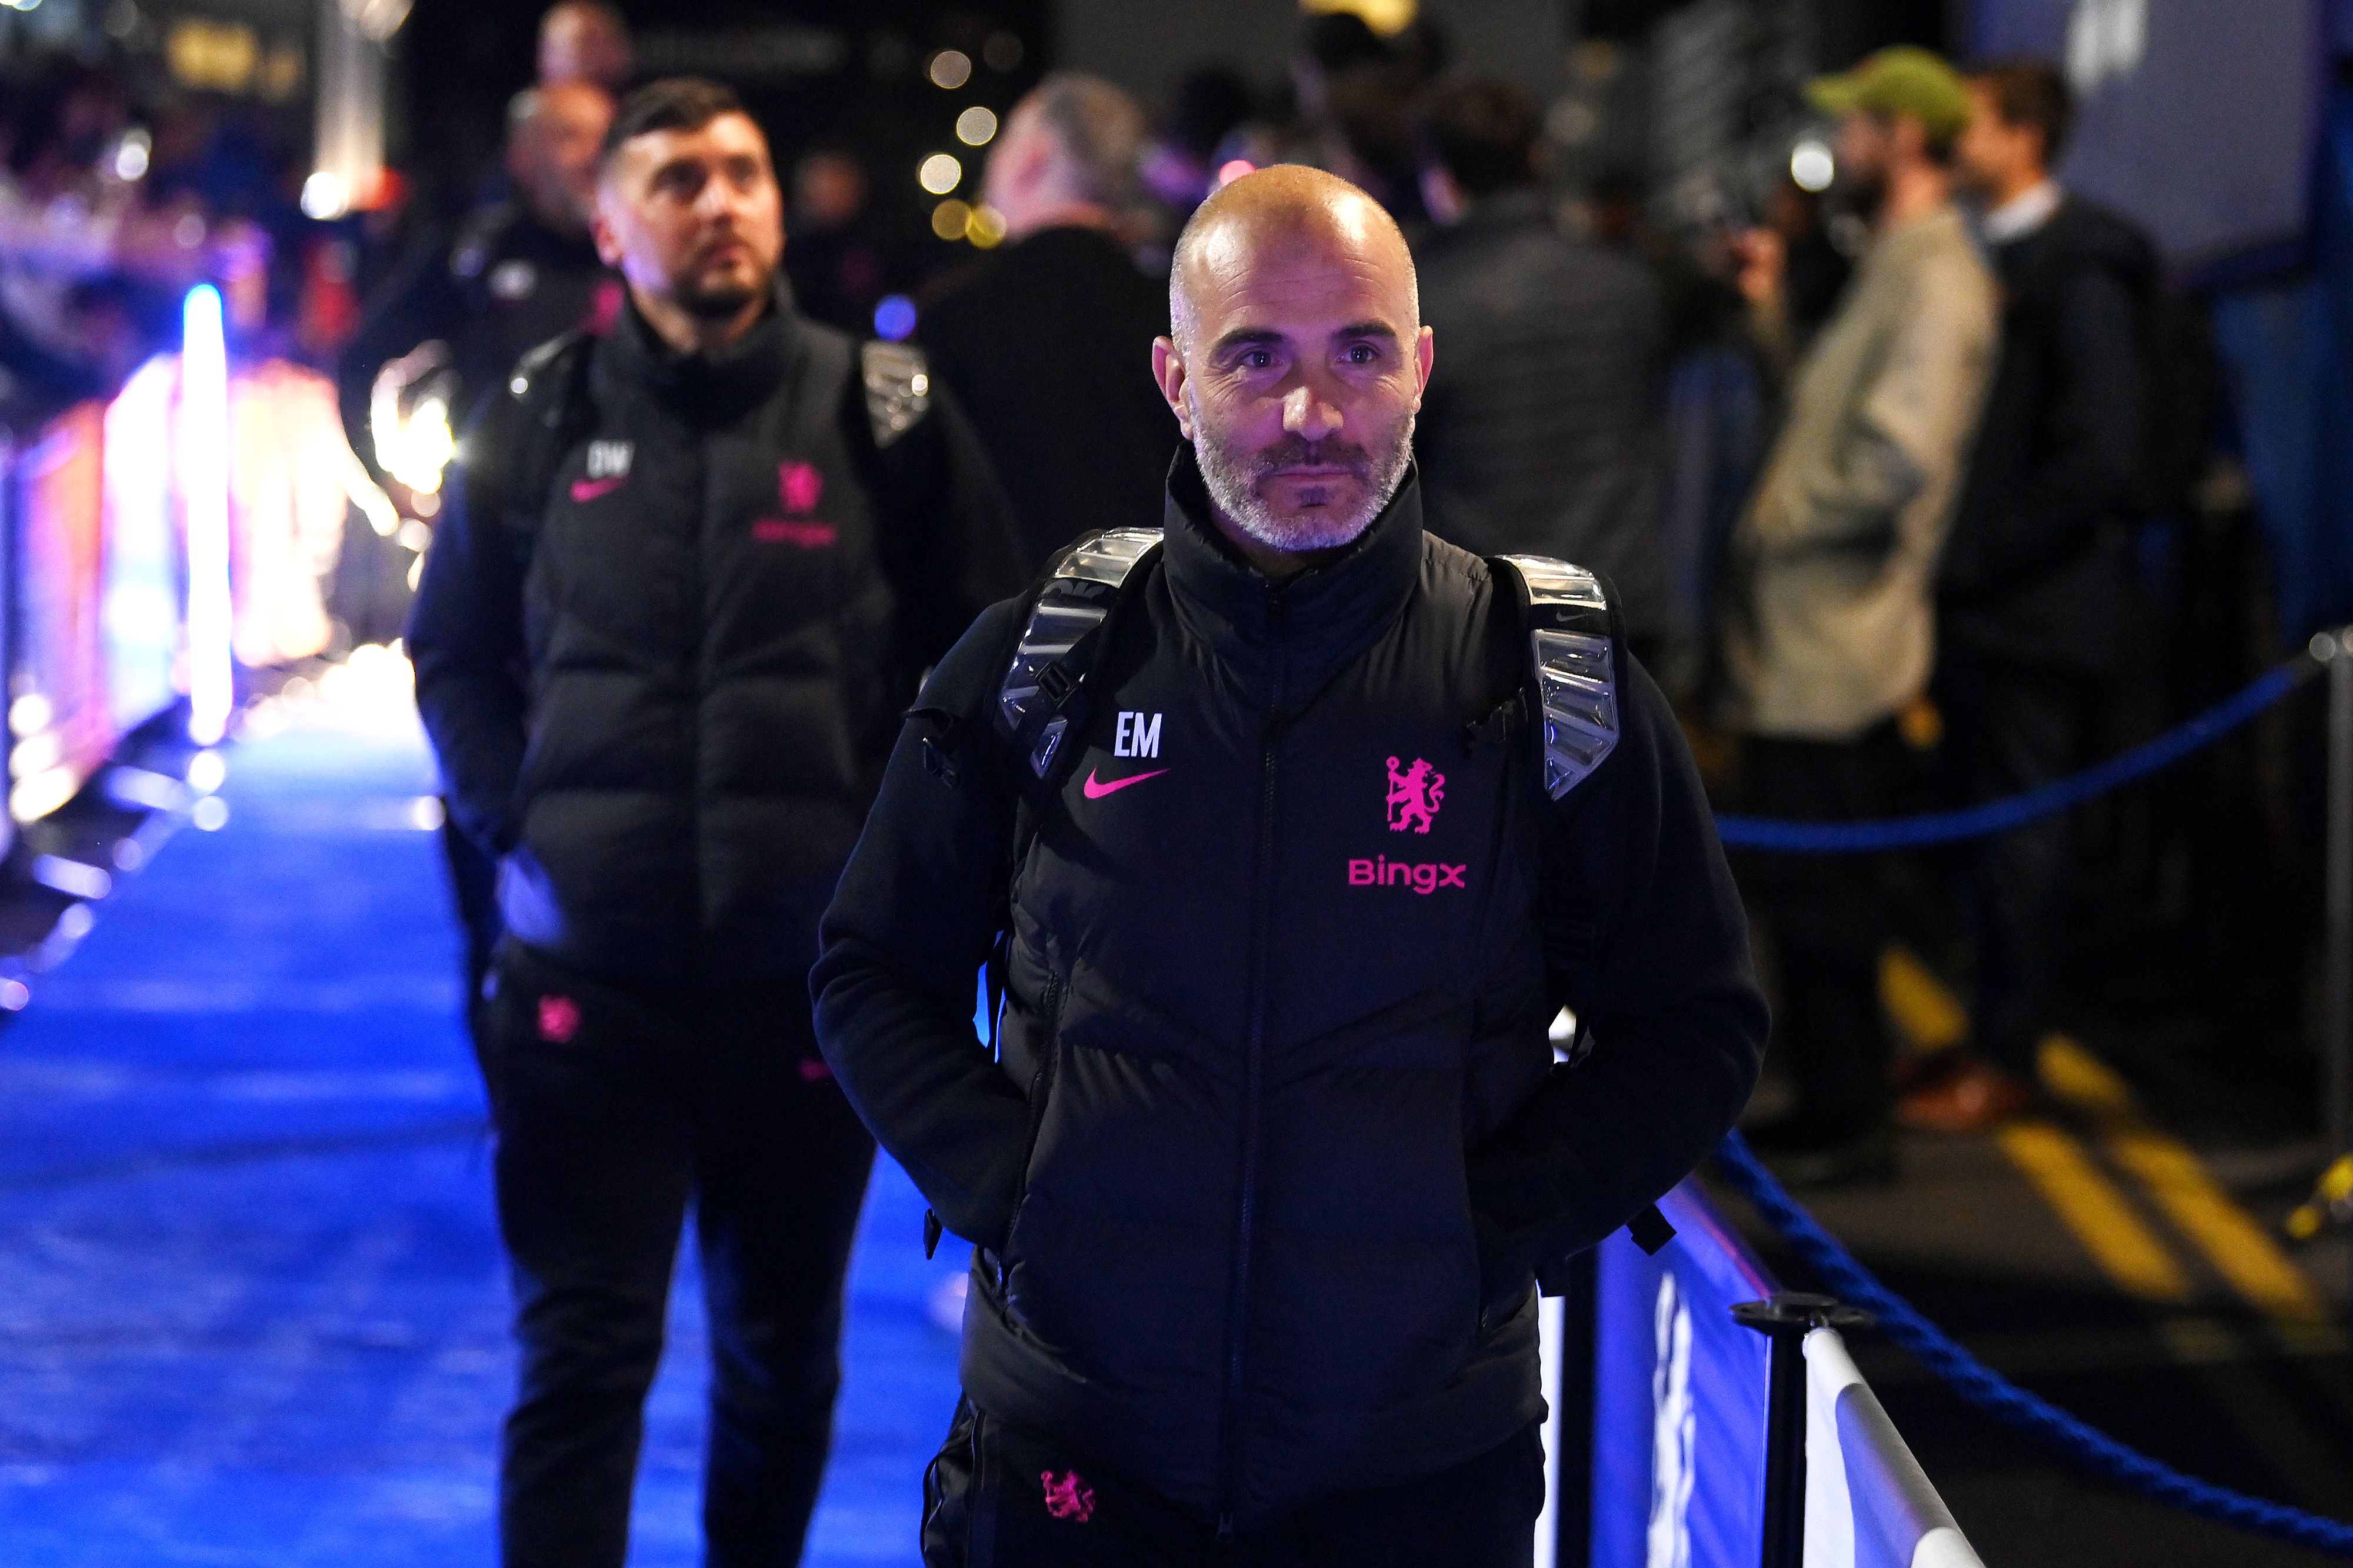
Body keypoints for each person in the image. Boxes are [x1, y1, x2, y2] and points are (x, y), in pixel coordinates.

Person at [813, 164, 1766, 1564]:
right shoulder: (1044, 659)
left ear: (1421, 368)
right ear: (1175, 376)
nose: (1311, 414)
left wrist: (1488, 1226)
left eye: (1358, 352)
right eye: (1255, 355)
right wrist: (1023, 1193)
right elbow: (868, 964)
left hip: (1415, 1466)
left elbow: (1694, 1019)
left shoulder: (1538, 680)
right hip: (1077, 1453)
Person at [406, 78, 1022, 1568]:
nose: (723, 201)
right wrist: (522, 826)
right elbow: (450, 650)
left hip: (796, 995)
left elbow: (990, 665)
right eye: (677, 178)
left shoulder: (886, 414)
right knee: (578, 1360)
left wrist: (895, 882)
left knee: (779, 1363)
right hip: (582, 987)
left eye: (742, 171)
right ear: (609, 223)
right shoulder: (538, 411)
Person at [1720, 46, 1998, 1182]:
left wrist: (1781, 522)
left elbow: (1894, 459)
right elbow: (1835, 421)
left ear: (1904, 134)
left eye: (1860, 128)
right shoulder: (1899, 261)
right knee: (1809, 892)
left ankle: (1849, 1117)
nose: (1842, 149)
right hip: (1808, 637)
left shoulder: (1935, 276)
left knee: (1829, 896)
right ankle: (1834, 1106)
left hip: (1840, 642)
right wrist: (1770, 314)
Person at [1900, 59, 2154, 1132]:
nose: (1956, 137)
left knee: (2023, 839)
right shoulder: (2001, 252)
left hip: (2036, 607)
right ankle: (1990, 1035)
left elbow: (2103, 452)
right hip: (1991, 599)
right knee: (1988, 836)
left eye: (1976, 122)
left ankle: (2010, 1054)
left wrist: (1980, 554)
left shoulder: (2077, 267)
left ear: (2024, 136)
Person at [339, 80, 616, 1028]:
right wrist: (397, 497)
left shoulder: (642, 259)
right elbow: (361, 357)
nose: (588, 156)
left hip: (625, 592)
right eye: (569, 138)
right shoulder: (471, 255)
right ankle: (504, 1053)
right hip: (496, 583)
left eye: (600, 137)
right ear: (527, 152)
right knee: (483, 825)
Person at [1411, 76, 1675, 658]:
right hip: (1618, 607)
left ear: (1441, 179)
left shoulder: (1423, 302)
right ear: (1535, 157)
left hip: (1484, 619)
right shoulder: (1627, 287)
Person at [915, 73, 1181, 570]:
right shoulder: (1176, 314)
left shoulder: (957, 318)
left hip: (1007, 630)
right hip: (1164, 621)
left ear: (1033, 155)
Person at [537, 0, 633, 94]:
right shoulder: (535, 105)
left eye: (593, 42)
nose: (593, 57)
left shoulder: (640, 100)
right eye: (580, 42)